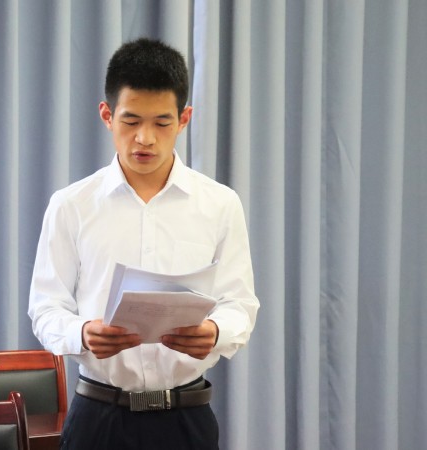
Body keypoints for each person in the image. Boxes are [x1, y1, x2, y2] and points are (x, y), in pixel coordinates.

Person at [28, 37, 259, 450]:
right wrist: (83, 333)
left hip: (186, 418)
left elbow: (240, 304)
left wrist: (215, 331)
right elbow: (46, 308)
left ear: (184, 119)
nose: (145, 139)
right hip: (99, 418)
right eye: (131, 121)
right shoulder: (72, 205)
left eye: (162, 123)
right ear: (107, 115)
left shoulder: (220, 204)